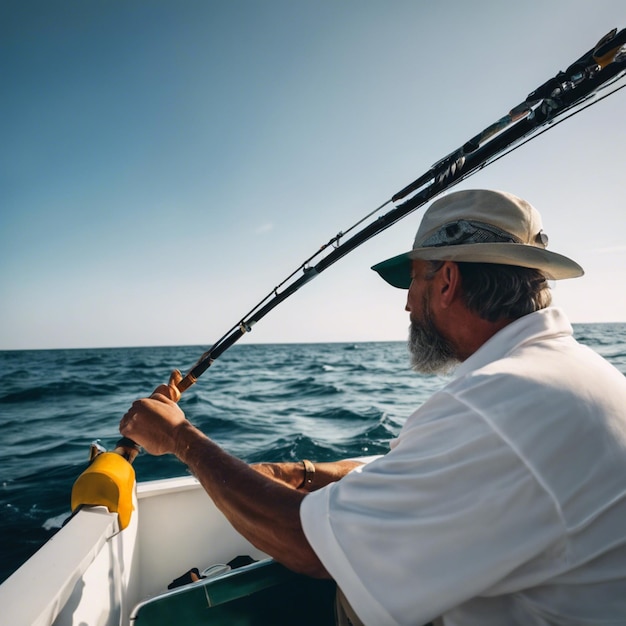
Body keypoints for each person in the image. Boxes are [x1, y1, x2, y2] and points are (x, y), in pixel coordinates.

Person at [120, 189, 626, 625]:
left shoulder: (497, 406)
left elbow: (308, 547)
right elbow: (454, 475)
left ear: (446, 281)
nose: (407, 304)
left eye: (413, 282)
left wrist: (180, 438)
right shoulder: (582, 375)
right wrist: (307, 472)